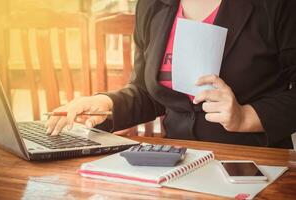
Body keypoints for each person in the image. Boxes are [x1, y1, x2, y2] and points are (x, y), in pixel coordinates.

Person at [46, 0, 296, 149]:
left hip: (254, 161)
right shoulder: (152, 5)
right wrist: (104, 104)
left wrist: (245, 117)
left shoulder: (277, 6)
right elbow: (149, 93)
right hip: (177, 161)